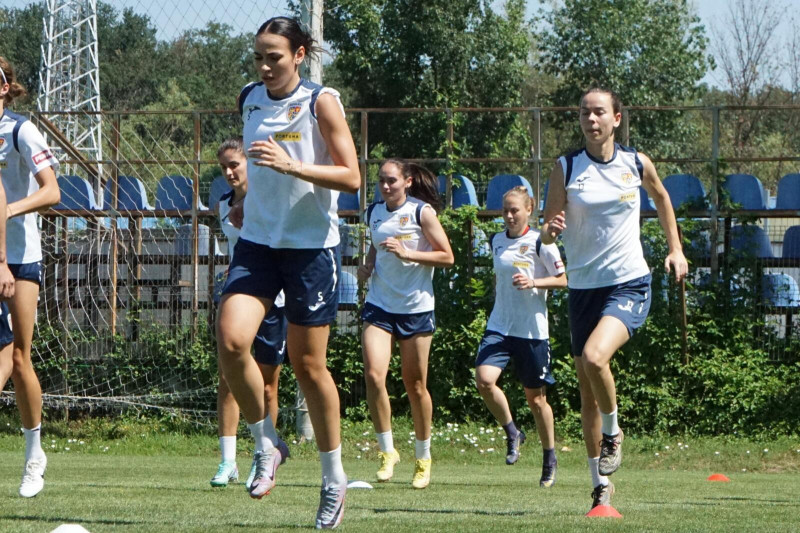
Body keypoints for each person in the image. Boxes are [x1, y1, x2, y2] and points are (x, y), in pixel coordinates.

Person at [216, 17, 360, 529]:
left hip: (309, 250)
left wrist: (291, 165)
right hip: (258, 243)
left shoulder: (321, 101)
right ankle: (266, 443)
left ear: (299, 55)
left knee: (308, 367)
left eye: (274, 56)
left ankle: (333, 480)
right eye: (258, 55)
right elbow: (255, 162)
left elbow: (351, 176)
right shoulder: (250, 97)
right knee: (232, 341)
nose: (264, 65)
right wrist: (247, 199)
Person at [541, 87, 688, 510]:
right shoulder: (566, 167)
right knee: (587, 392)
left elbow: (661, 198)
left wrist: (675, 249)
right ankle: (600, 487)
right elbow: (548, 231)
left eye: (599, 112)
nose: (591, 120)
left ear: (617, 119)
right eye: (585, 113)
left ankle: (614, 432)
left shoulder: (635, 163)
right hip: (583, 288)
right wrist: (551, 229)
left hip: (628, 282)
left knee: (594, 357)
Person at [357, 160, 454, 489]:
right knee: (373, 375)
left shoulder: (422, 212)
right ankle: (387, 452)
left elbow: (447, 256)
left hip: (415, 309)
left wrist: (409, 254)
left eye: (392, 181)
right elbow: (375, 243)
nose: (386, 186)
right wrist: (367, 266)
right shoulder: (374, 212)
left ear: (408, 181)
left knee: (415, 386)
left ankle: (423, 457)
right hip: (379, 305)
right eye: (382, 181)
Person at [210, 137, 289, 488]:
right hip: (241, 294)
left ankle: (265, 453)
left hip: (275, 299)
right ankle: (228, 461)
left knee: (268, 385)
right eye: (224, 167)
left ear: (249, 165)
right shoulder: (223, 204)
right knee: (227, 378)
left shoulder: (267, 200)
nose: (229, 172)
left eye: (235, 165)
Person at [474, 186, 566, 488]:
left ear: (529, 210)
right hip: (500, 326)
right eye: (505, 211)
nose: (509, 216)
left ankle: (549, 456)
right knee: (485, 380)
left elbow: (564, 279)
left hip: (532, 332)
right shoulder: (496, 240)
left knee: (536, 400)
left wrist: (534, 282)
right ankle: (513, 432)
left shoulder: (542, 242)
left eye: (515, 210)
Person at [0, 56, 61, 498]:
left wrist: (6, 211)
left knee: (20, 358)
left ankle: (34, 453)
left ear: (5, 88)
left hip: (20, 258)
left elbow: (52, 191)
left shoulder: (20, 130)